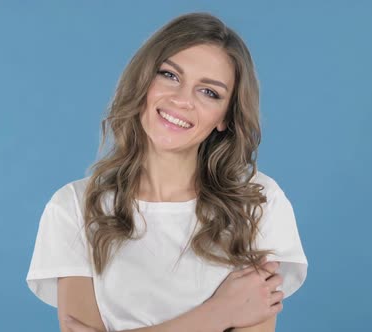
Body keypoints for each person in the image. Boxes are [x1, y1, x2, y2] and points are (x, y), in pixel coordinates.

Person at [26, 12, 308, 332]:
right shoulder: (74, 207)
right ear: (144, 80)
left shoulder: (257, 201)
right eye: (170, 75)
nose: (181, 100)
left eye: (209, 92)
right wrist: (220, 312)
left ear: (224, 117)